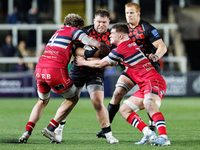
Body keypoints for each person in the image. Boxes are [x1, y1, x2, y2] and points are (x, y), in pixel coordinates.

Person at [18, 13, 112, 144]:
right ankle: (52, 127)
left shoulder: (58, 32)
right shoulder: (75, 31)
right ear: (78, 26)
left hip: (40, 69)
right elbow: (96, 44)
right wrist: (109, 51)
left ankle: (26, 132)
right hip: (55, 70)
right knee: (73, 97)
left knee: (42, 101)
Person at [75, 23, 171, 146]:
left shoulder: (122, 48)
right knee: (125, 110)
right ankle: (148, 133)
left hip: (152, 80)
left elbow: (101, 64)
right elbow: (113, 61)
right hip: (144, 83)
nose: (109, 35)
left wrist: (83, 62)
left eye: (112, 33)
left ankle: (164, 137)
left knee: (149, 105)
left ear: (120, 36)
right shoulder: (129, 44)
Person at [96, 2, 168, 138]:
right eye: (127, 13)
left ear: (138, 14)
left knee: (149, 99)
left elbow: (162, 46)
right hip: (130, 68)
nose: (128, 16)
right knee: (117, 93)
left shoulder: (146, 28)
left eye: (131, 13)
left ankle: (152, 127)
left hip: (148, 67)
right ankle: (107, 128)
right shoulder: (124, 30)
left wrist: (156, 56)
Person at [54, 9, 119, 144]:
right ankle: (58, 130)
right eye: (98, 22)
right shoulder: (85, 32)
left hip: (96, 72)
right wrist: (88, 55)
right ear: (94, 21)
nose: (101, 25)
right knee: (70, 100)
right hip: (78, 70)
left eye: (104, 22)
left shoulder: (113, 36)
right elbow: (74, 49)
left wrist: (90, 61)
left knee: (98, 103)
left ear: (109, 22)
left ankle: (108, 135)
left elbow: (112, 60)